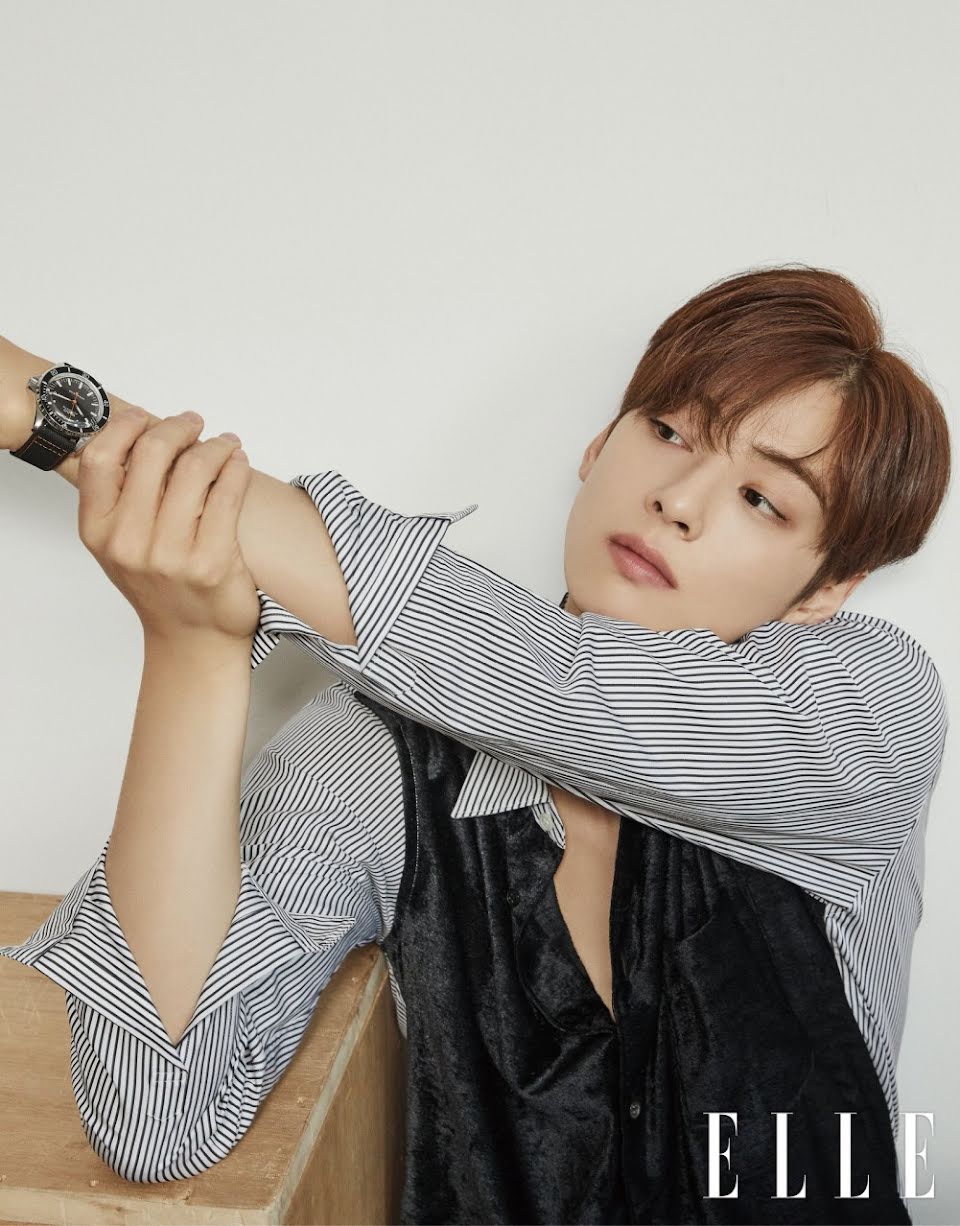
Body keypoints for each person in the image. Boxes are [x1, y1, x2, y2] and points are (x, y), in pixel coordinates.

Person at [0, 264, 949, 1222]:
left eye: (762, 499)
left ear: (829, 587)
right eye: (669, 431)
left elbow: (563, 687)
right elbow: (158, 1123)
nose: (680, 500)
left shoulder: (869, 710)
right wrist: (194, 645)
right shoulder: (369, 757)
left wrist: (53, 414)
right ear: (598, 444)